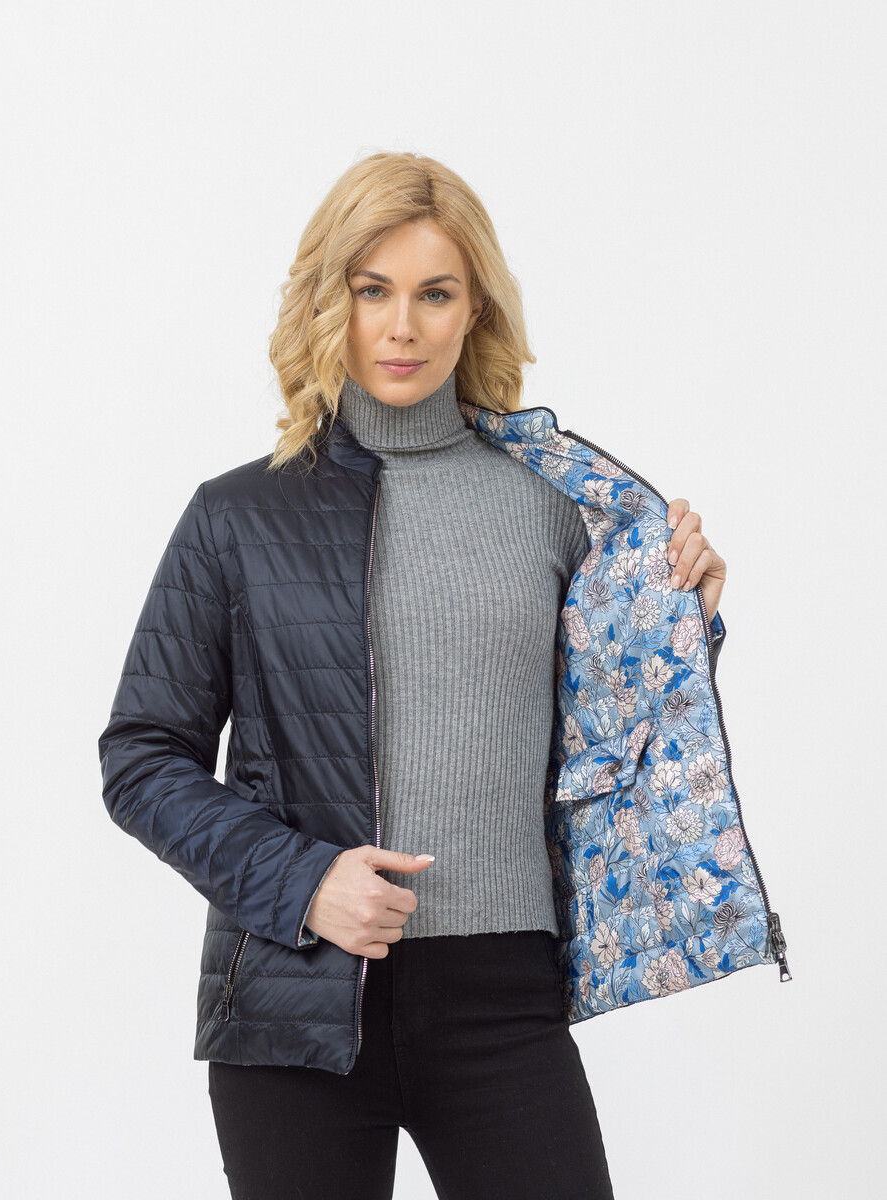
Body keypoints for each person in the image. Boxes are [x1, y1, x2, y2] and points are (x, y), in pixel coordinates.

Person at [98, 151, 788, 1200]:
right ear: (330, 302)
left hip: (501, 998)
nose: (402, 327)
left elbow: (613, 747)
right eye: (371, 290)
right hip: (294, 996)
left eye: (434, 293)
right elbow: (142, 759)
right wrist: (302, 881)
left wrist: (676, 625)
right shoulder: (237, 516)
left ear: (476, 311)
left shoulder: (554, 505)